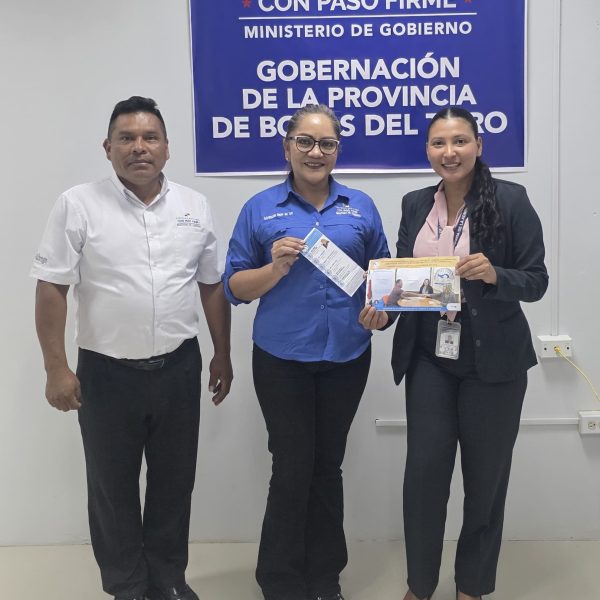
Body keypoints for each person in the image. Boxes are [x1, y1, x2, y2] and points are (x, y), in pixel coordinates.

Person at [31, 96, 233, 600]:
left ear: (167, 148)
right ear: (108, 147)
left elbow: (211, 285)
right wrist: (56, 369)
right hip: (106, 373)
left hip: (178, 367)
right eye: (127, 138)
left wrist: (222, 353)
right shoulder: (78, 204)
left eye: (150, 138)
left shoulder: (194, 206)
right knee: (111, 487)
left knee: (174, 483)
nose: (139, 147)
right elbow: (52, 287)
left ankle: (167, 579)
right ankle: (126, 586)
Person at [360, 107, 548, 600]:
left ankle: (471, 587)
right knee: (424, 477)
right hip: (429, 359)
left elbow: (536, 281)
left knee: (485, 482)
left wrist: (495, 274)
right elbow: (402, 283)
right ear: (427, 150)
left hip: (494, 362)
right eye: (439, 143)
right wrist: (383, 314)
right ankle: (420, 586)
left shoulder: (510, 199)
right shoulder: (415, 203)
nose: (450, 152)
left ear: (479, 146)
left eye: (460, 141)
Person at [222, 104, 389, 600]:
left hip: (346, 358)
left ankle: (324, 577)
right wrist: (273, 270)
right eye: (305, 142)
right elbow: (233, 287)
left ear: (338, 150)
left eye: (327, 144)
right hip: (282, 360)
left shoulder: (361, 207)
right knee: (292, 466)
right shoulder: (259, 208)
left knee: (328, 466)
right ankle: (279, 581)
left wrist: (383, 313)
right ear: (287, 147)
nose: (316, 152)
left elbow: (384, 282)